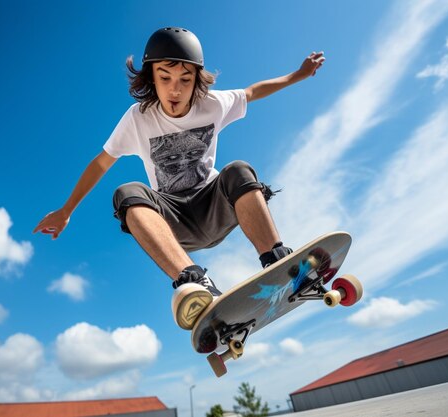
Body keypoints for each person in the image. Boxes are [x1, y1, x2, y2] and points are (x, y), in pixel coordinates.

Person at [34, 27, 324, 330]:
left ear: (197, 79)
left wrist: (298, 75)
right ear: (150, 79)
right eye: (165, 78)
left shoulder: (213, 104)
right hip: (173, 223)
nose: (175, 90)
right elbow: (101, 162)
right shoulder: (138, 118)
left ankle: (279, 262)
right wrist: (66, 210)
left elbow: (252, 92)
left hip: (215, 208)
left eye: (185, 80)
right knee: (127, 191)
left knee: (238, 169)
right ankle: (196, 283)